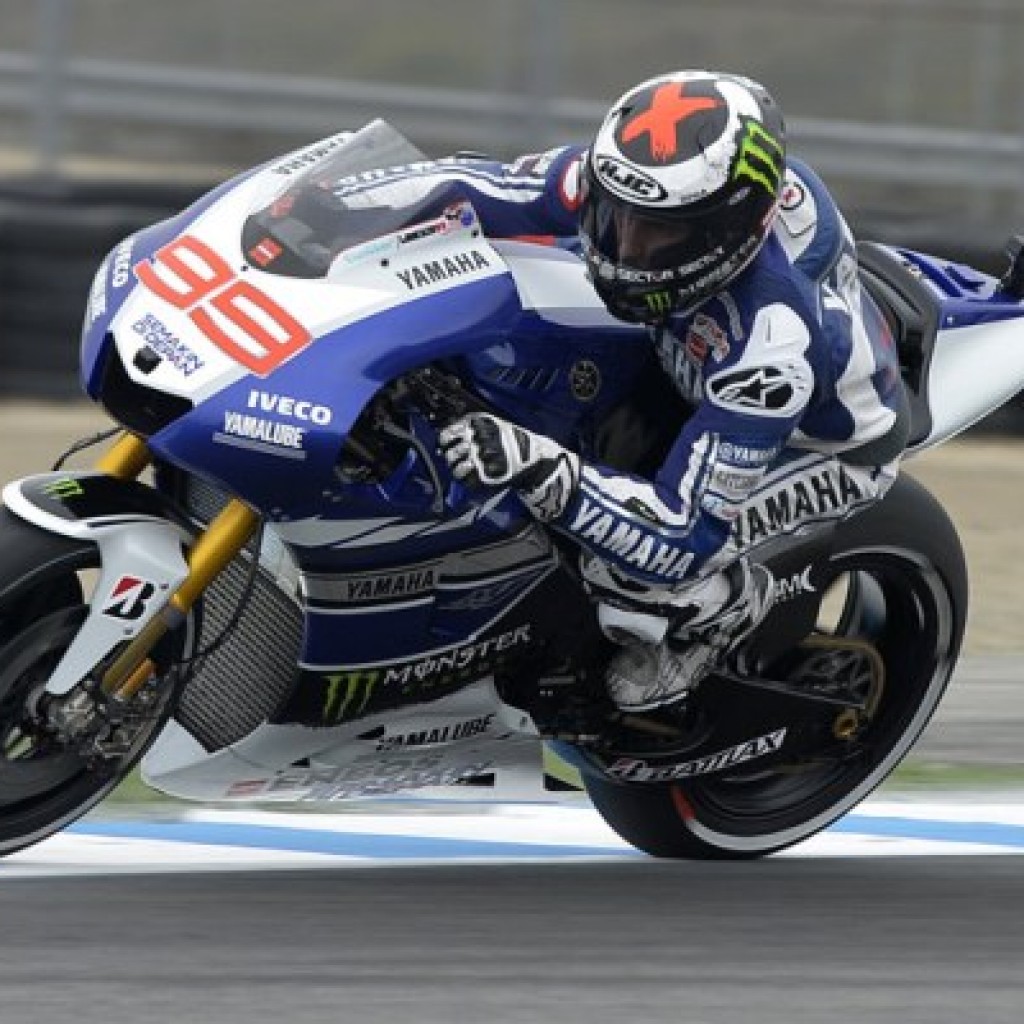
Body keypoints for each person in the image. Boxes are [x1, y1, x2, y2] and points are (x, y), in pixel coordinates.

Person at [347, 70, 910, 713]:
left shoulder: (772, 344)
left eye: (660, 233)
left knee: (624, 568)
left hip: (818, 446)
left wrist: (538, 466)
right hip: (691, 365)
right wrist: (319, 215)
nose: (628, 247)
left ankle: (719, 617)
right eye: (619, 217)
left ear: (724, 231)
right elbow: (476, 187)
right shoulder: (643, 183)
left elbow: (679, 532)